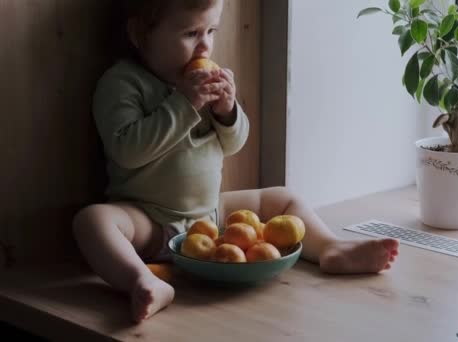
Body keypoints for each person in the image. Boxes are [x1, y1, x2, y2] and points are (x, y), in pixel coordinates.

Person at [72, 0, 399, 323]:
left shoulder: (205, 81)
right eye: (190, 34)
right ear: (140, 33)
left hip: (211, 213)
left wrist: (227, 112)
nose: (204, 47)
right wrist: (184, 103)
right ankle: (142, 280)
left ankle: (329, 248)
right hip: (150, 219)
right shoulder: (123, 83)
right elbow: (127, 150)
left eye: (211, 31)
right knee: (93, 221)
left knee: (283, 198)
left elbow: (233, 144)